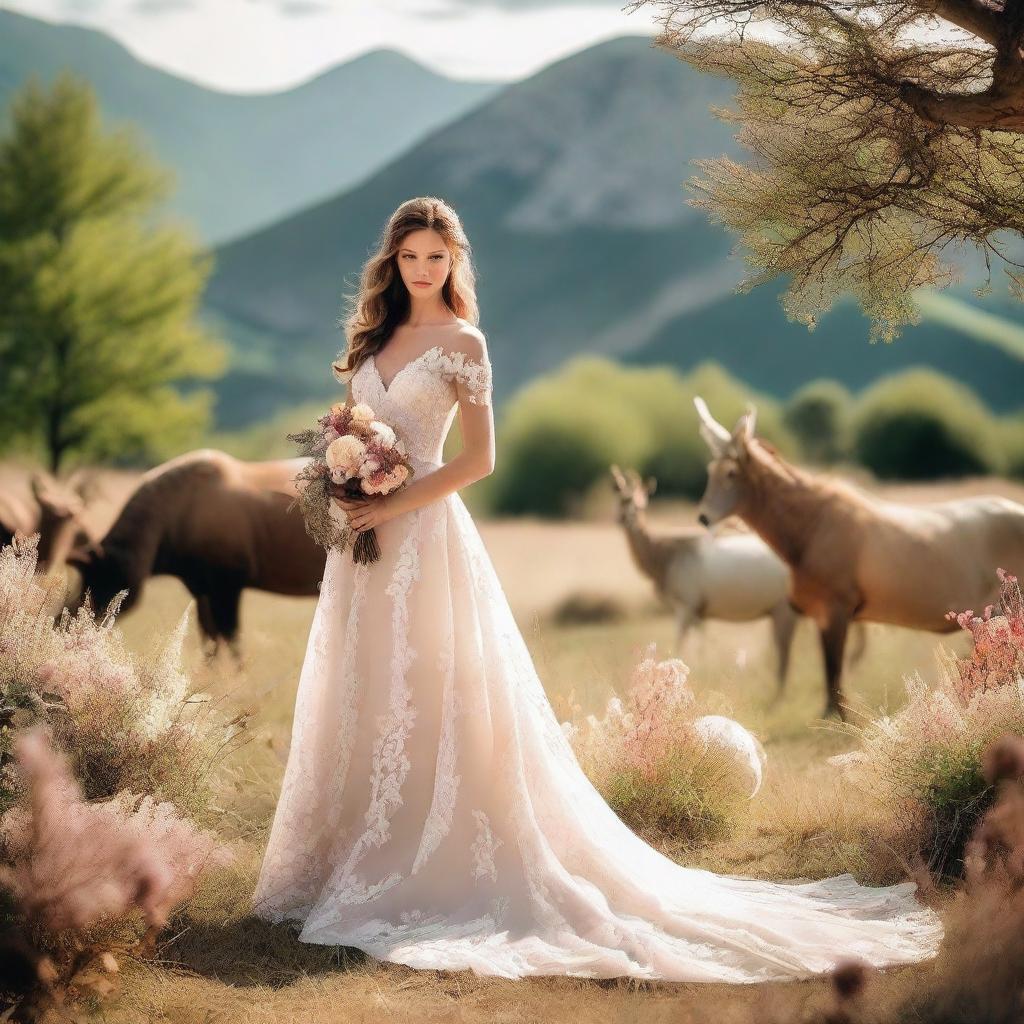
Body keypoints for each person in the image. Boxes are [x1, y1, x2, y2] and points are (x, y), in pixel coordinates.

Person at [251, 196, 944, 982]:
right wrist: (342, 473)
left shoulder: (463, 343)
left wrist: (391, 498)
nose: (422, 270)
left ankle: (427, 863)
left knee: (431, 691)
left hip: (426, 543)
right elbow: (353, 424)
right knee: (364, 688)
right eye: (409, 257)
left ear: (455, 262)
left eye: (436, 258)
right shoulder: (372, 338)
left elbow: (479, 461)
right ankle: (349, 855)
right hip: (361, 549)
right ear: (392, 261)